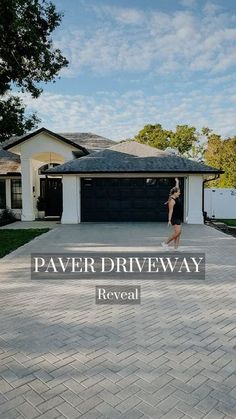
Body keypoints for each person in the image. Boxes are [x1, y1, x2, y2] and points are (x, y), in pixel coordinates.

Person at [161, 178, 182, 250]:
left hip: (178, 217)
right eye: (178, 192)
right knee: (178, 232)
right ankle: (165, 243)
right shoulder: (172, 201)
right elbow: (170, 211)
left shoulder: (176, 197)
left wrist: (177, 182)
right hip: (174, 218)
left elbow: (177, 188)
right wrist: (169, 220)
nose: (179, 193)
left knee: (178, 233)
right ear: (175, 193)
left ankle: (176, 248)